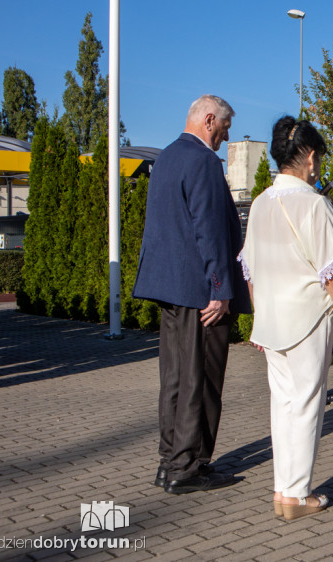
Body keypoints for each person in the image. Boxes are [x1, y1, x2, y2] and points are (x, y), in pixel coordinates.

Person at [238, 117, 333, 521]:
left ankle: (283, 489)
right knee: (308, 405)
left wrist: (260, 318)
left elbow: (250, 270)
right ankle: (298, 495)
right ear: (309, 157)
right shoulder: (314, 204)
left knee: (284, 405)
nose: (321, 167)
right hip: (308, 320)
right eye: (320, 158)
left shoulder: (260, 203)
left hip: (271, 321)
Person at [134, 94, 251, 494]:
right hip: (202, 292)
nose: (225, 135)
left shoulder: (165, 158)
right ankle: (188, 467)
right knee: (200, 378)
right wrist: (220, 289)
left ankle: (169, 462)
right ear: (208, 120)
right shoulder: (202, 161)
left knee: (175, 377)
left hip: (171, 288)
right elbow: (209, 229)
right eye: (225, 127)